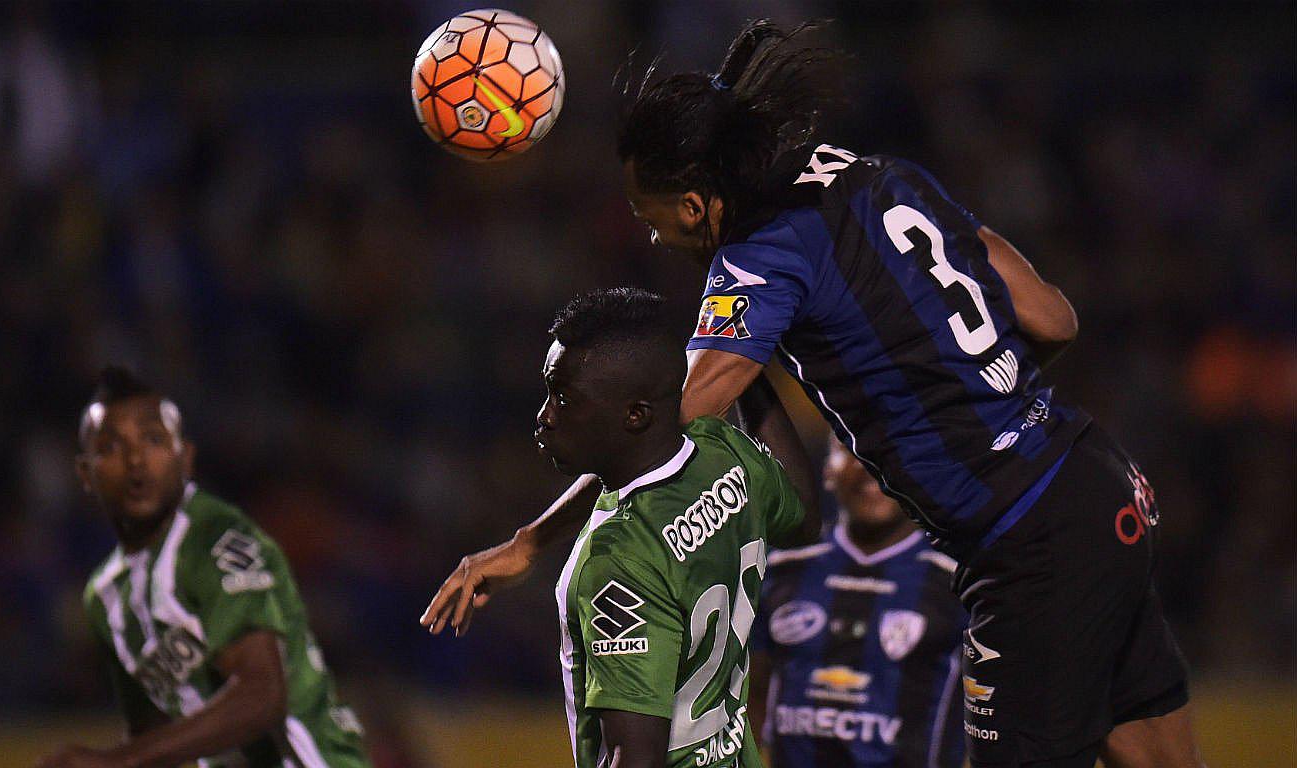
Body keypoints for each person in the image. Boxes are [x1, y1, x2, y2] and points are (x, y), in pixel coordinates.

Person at [423, 19, 1203, 768]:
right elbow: (1052, 317)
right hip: (1101, 486)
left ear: (695, 205)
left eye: (648, 216)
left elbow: (663, 432)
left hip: (1031, 546)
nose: (653, 236)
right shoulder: (876, 174)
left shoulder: (758, 260)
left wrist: (532, 539)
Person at [488, 287, 816, 767]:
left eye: (564, 398)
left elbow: (635, 757)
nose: (545, 417)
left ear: (635, 415)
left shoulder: (618, 556)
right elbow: (805, 516)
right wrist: (750, 365)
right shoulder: (725, 455)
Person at [39, 367, 369, 768]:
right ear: (85, 474)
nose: (136, 461)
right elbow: (151, 740)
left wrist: (117, 761)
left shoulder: (215, 538)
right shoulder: (104, 597)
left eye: (154, 439)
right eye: (110, 447)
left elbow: (262, 695)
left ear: (186, 457)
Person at [748, 437, 966, 768]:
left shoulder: (959, 584)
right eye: (852, 451)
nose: (870, 469)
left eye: (890, 453)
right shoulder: (780, 568)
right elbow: (752, 695)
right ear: (827, 471)